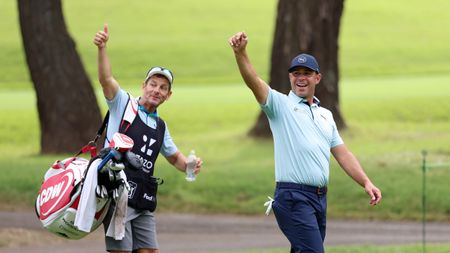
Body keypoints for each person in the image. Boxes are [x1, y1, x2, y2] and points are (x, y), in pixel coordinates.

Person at [228, 31, 382, 253]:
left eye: (307, 73)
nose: (301, 77)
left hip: (319, 198)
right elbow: (253, 82)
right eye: (296, 73)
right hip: (292, 197)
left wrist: (366, 182)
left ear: (317, 78)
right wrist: (240, 53)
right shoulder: (279, 106)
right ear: (290, 77)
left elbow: (343, 154)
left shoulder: (325, 116)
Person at [93, 24, 202, 253]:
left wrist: (191, 165)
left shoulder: (160, 126)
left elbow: (176, 159)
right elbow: (106, 79)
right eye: (153, 84)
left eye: (163, 88)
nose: (157, 90)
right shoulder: (123, 103)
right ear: (144, 85)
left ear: (168, 95)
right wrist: (102, 48)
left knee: (150, 251)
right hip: (116, 194)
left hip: (142, 198)